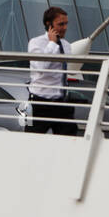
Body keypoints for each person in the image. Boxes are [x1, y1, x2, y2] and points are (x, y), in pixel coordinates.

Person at [26, 7, 80, 136]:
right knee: (31, 142)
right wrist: (52, 43)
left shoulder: (66, 45)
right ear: (48, 25)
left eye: (66, 23)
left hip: (61, 102)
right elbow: (40, 67)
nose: (65, 27)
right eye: (61, 24)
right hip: (39, 103)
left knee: (70, 139)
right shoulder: (36, 42)